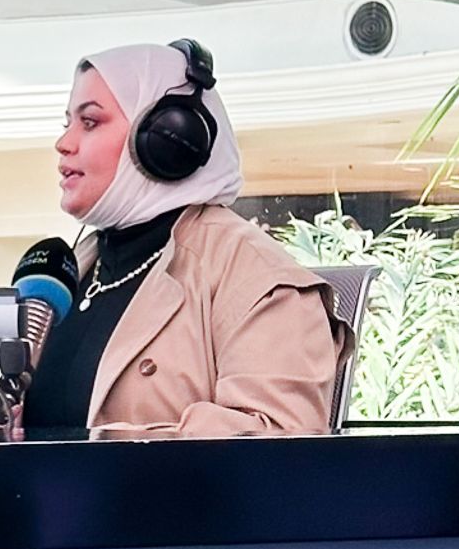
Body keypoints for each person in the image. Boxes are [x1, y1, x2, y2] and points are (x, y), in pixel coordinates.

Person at [22, 41, 340, 437]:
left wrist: (101, 446)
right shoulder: (73, 271)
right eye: (66, 123)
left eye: (90, 122)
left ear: (167, 137)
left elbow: (278, 440)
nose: (64, 143)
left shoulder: (255, 275)